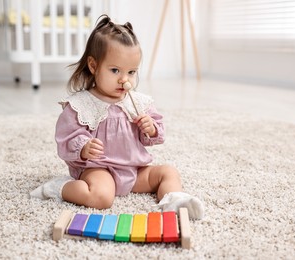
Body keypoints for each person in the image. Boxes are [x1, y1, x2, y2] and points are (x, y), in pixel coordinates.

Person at [30, 15, 204, 219]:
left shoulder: (137, 103)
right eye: (115, 70)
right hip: (100, 169)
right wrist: (84, 148)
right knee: (102, 198)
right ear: (93, 66)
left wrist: (151, 128)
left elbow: (156, 134)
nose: (125, 79)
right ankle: (60, 188)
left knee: (168, 172)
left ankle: (174, 200)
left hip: (135, 170)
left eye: (131, 72)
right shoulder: (82, 104)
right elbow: (66, 138)